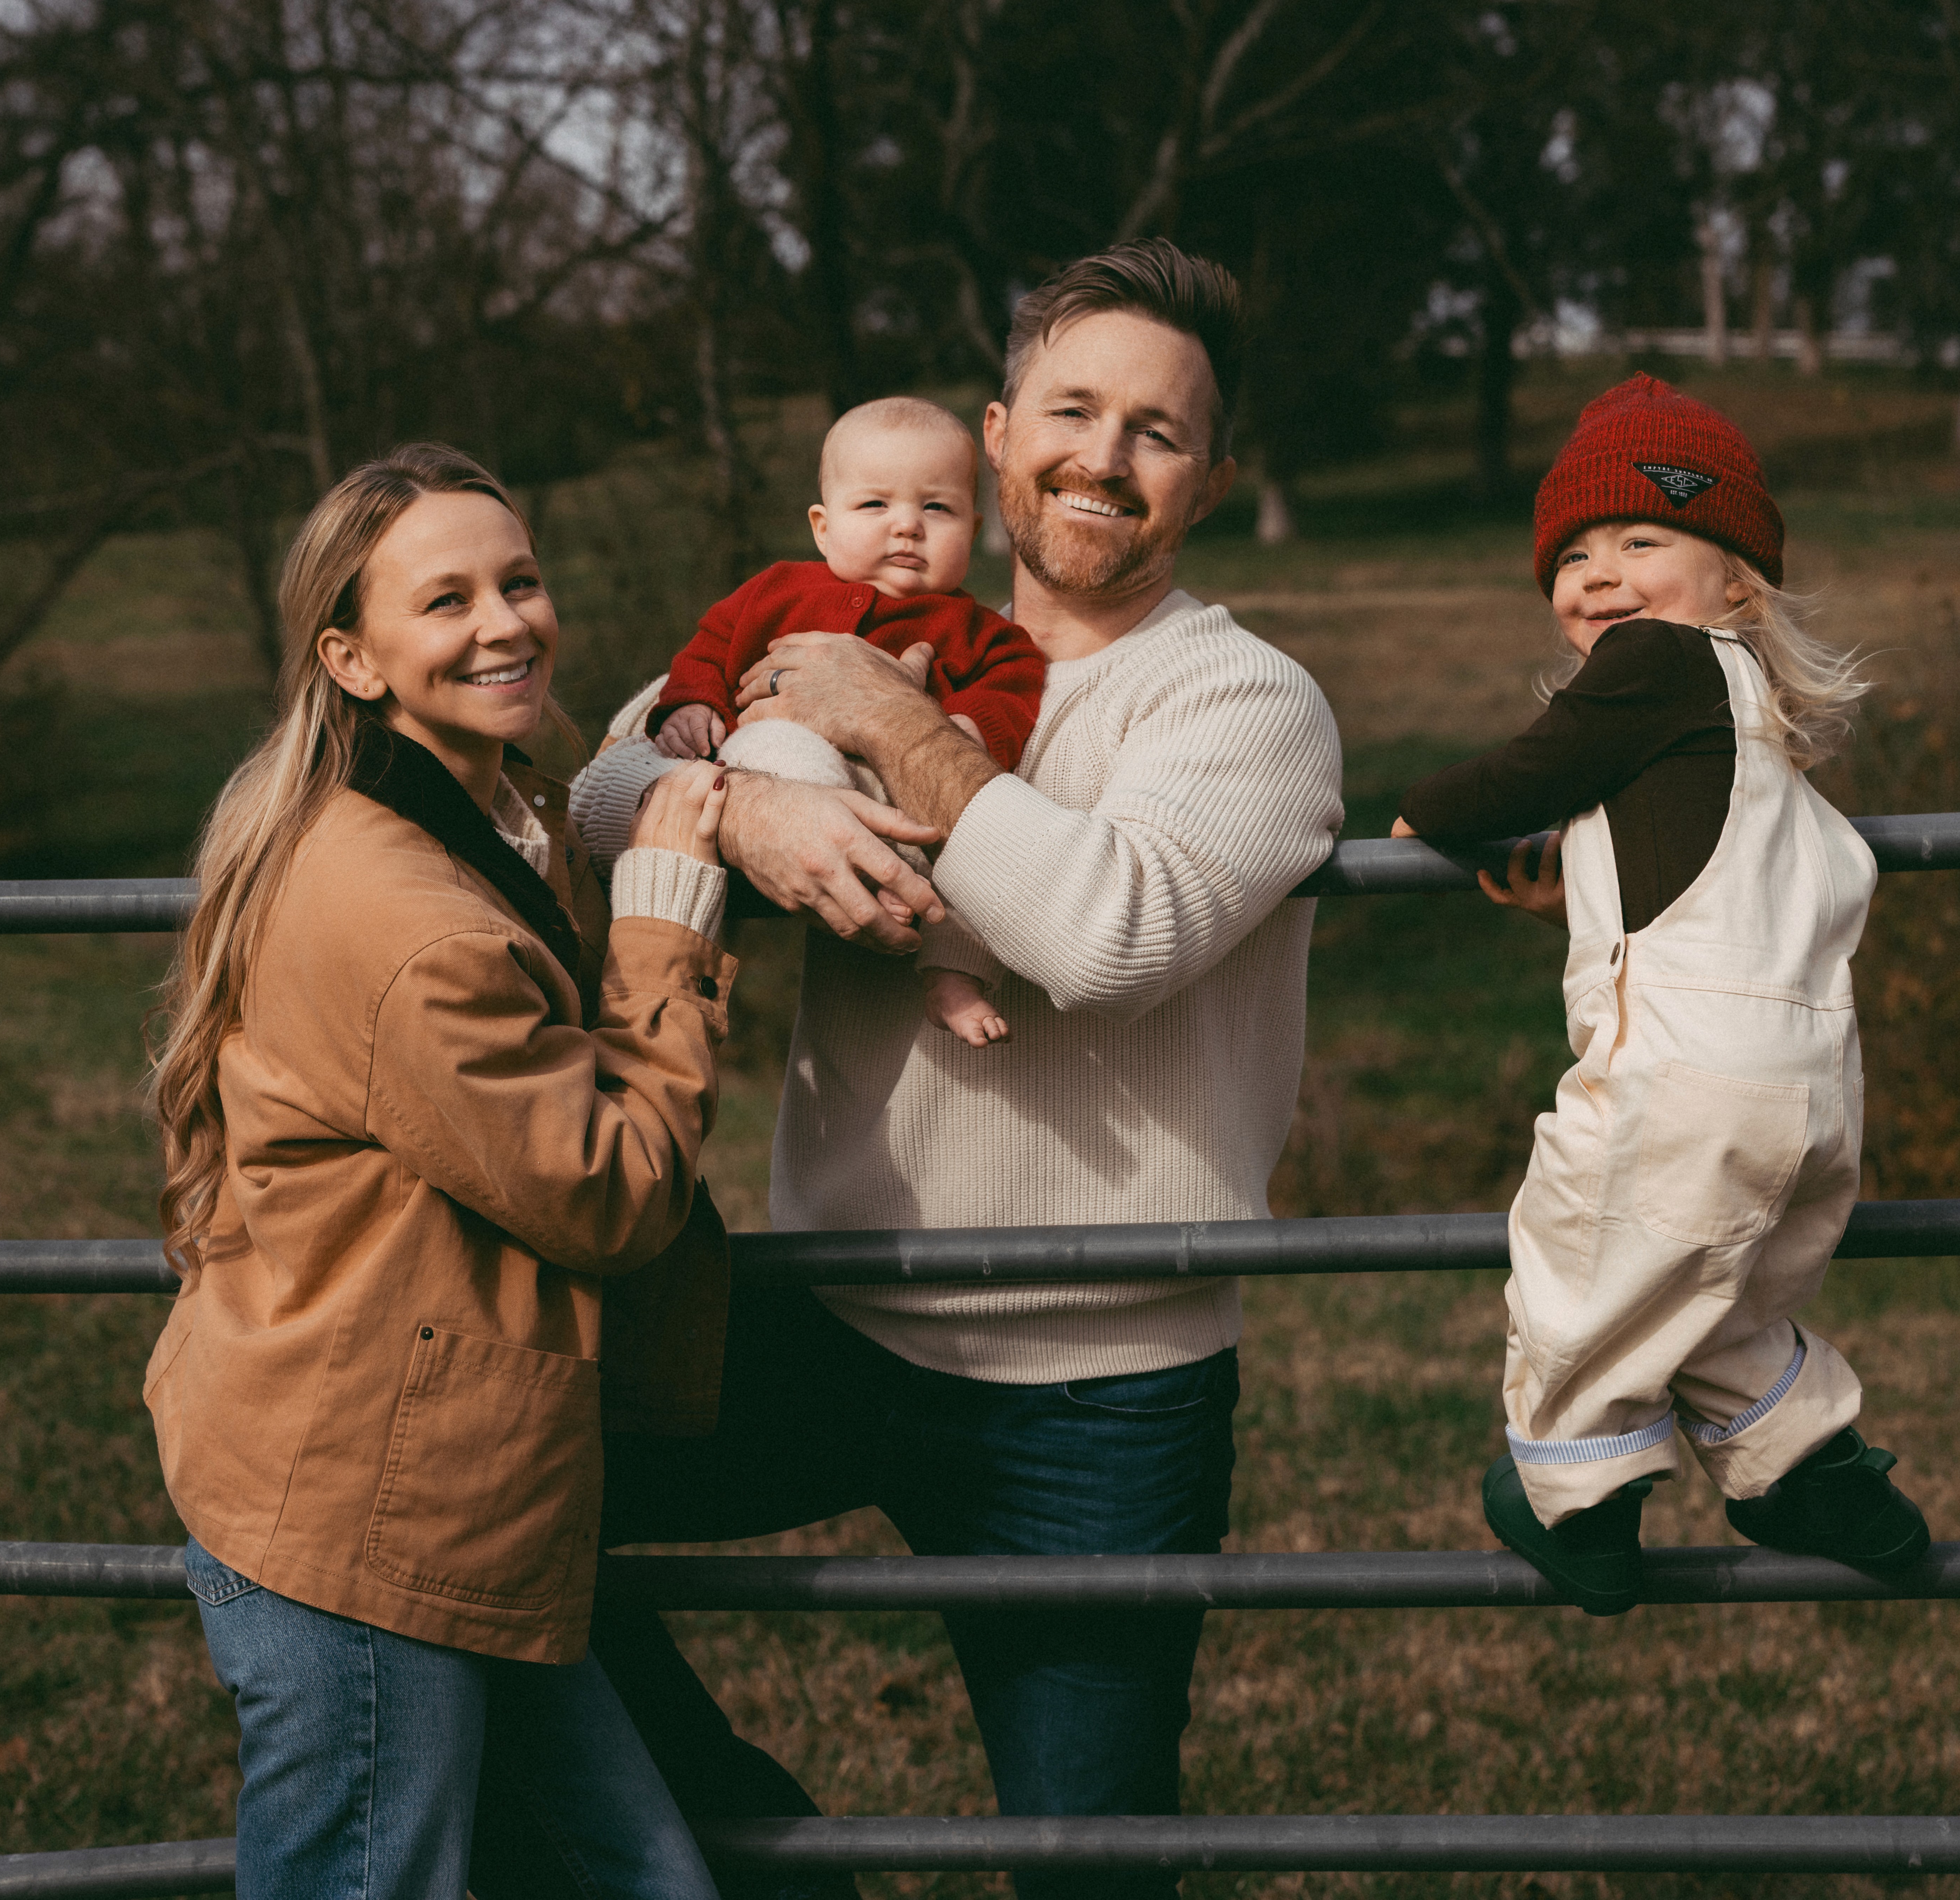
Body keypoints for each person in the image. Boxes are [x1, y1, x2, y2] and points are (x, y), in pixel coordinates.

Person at [510, 240, 1343, 1900]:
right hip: (830, 1308)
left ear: (1214, 477)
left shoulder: (1244, 698)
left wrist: (894, 735)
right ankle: (761, 1857)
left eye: (1157, 432)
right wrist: (755, 804)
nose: (1103, 458)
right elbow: (601, 788)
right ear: (995, 431)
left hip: (1100, 1386)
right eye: (1071, 410)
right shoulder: (852, 616)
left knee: (1087, 1868)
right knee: (469, 1509)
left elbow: (1108, 931)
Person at [144, 442, 739, 1900]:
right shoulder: (409, 914)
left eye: (519, 581)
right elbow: (605, 1190)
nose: (504, 623)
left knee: (647, 1877)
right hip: (360, 1520)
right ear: (351, 658)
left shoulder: (477, 814)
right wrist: (661, 940)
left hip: (454, 1491)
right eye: (447, 601)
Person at [1393, 374, 1931, 1618]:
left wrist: (1430, 810)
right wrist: (1571, 898)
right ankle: (1812, 1472)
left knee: (1579, 1268)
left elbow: (1529, 770)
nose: (1600, 575)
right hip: (1807, 1098)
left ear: (1737, 575)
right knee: (1718, 1303)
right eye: (1574, 553)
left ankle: (1573, 1504)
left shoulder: (1655, 664)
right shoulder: (1761, 744)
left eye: (1644, 539)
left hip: (1684, 1086)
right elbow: (1700, 888)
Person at [575, 395, 1045, 1050]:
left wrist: (966, 732)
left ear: (973, 525)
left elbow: (1014, 686)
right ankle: (838, 891)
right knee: (774, 750)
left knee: (968, 852)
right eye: (875, 506)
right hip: (777, 773)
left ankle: (951, 971)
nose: (907, 526)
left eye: (936, 508)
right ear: (823, 527)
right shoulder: (777, 591)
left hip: (903, 800)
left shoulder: (980, 632)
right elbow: (711, 646)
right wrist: (692, 702)